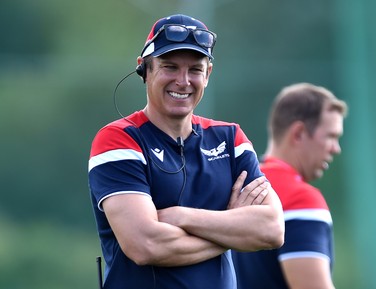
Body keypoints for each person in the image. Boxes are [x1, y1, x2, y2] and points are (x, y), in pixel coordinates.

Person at [88, 14, 284, 289]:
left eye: (195, 69)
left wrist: (182, 216)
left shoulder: (230, 138)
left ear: (208, 74)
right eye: (170, 67)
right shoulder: (118, 140)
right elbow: (146, 245)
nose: (183, 81)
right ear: (144, 69)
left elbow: (272, 230)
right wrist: (231, 227)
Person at [232, 83, 348, 289]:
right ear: (299, 133)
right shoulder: (300, 199)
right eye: (331, 136)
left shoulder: (239, 186)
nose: (336, 149)